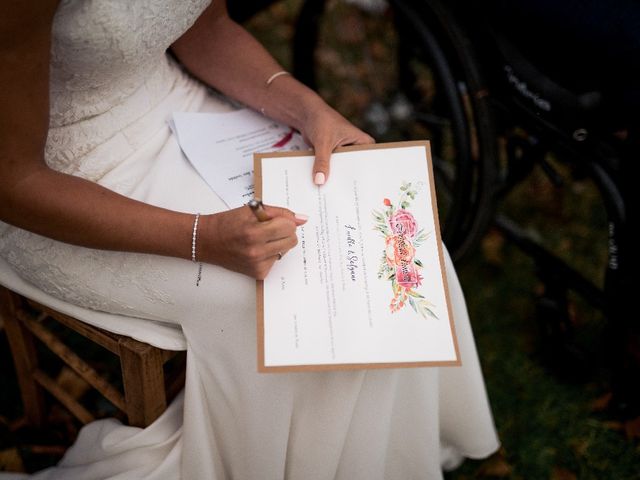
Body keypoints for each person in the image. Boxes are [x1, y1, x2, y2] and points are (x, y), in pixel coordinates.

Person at [0, 1, 499, 478]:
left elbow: (208, 29)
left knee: (390, 233)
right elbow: (13, 183)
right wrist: (203, 237)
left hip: (182, 110)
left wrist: (310, 110)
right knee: (278, 301)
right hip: (66, 178)